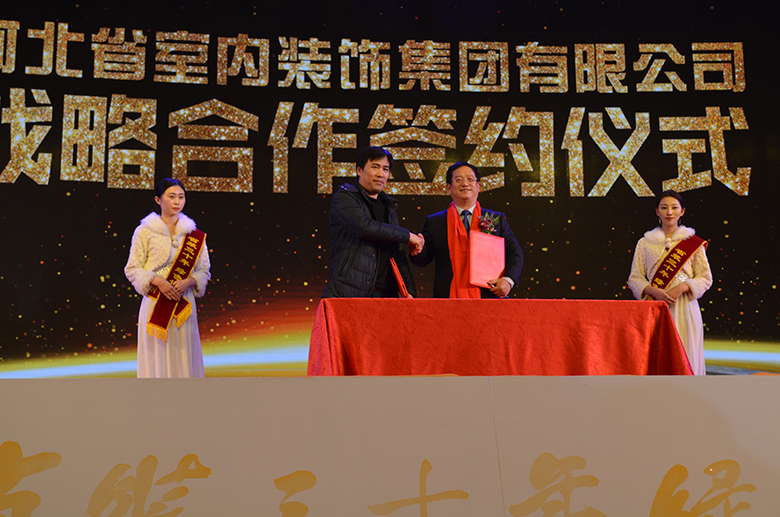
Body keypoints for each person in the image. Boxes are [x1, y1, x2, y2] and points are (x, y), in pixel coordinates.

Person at [125, 178, 211, 378]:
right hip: (155, 302)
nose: (177, 201)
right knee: (157, 357)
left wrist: (190, 281)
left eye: (181, 197)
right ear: (158, 200)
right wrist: (157, 281)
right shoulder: (145, 231)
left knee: (184, 356)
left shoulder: (193, 234)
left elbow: (204, 270)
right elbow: (132, 269)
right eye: (171, 196)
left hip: (183, 302)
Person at [628, 190, 712, 375]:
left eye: (674, 207)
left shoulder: (692, 242)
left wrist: (683, 287)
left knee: (686, 354)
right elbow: (635, 277)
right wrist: (652, 291)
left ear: (682, 211)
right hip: (656, 307)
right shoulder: (645, 243)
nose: (669, 212)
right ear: (657, 211)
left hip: (685, 307)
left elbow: (705, 278)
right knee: (659, 355)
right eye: (664, 207)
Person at [410, 162, 524, 298]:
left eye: (470, 179)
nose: (465, 184)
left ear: (478, 186)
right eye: (458, 180)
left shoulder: (495, 219)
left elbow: (515, 253)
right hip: (448, 296)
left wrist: (508, 281)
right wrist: (417, 250)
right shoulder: (435, 221)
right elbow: (422, 261)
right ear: (448, 188)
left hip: (488, 295)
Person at [322, 146, 423, 298]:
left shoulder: (389, 208)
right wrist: (408, 236)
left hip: (386, 295)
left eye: (385, 169)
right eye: (375, 167)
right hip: (350, 291)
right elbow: (364, 227)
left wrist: (410, 292)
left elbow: (398, 254)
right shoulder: (345, 197)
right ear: (359, 170)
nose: (380, 174)